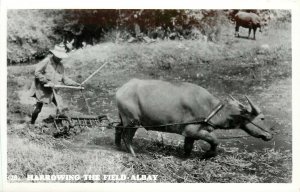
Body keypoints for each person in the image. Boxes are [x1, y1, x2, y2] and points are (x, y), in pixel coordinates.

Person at [29, 44, 81, 124]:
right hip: (42, 90)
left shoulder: (61, 66)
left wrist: (76, 84)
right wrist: (47, 81)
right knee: (38, 109)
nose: (60, 59)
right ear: (53, 54)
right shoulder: (46, 61)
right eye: (58, 57)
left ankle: (58, 123)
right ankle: (31, 122)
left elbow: (64, 79)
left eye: (61, 57)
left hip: (54, 91)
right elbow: (37, 73)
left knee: (60, 107)